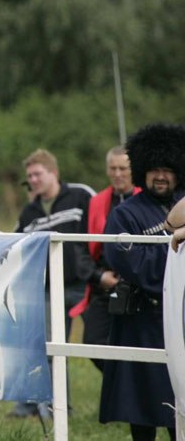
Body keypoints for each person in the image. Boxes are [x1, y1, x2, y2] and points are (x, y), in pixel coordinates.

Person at [99, 123, 185, 440]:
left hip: (181, 318)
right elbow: (131, 264)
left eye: (168, 170)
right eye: (154, 169)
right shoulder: (125, 215)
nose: (160, 176)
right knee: (143, 411)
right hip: (143, 322)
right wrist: (176, 252)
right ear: (143, 171)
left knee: (181, 409)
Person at [10, 148, 96, 418]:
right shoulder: (30, 211)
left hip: (85, 284)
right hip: (48, 289)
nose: (33, 180)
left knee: (103, 344)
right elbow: (16, 245)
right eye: (29, 176)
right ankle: (58, 408)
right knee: (50, 349)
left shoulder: (80, 195)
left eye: (38, 174)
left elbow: (100, 226)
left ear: (54, 173)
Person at [78, 146, 139, 371]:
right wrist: (98, 275)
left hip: (139, 287)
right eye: (112, 168)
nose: (117, 174)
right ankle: (119, 382)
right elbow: (79, 247)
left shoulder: (146, 200)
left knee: (139, 346)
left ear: (133, 171)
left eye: (123, 168)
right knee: (93, 343)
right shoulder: (95, 202)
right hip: (103, 286)